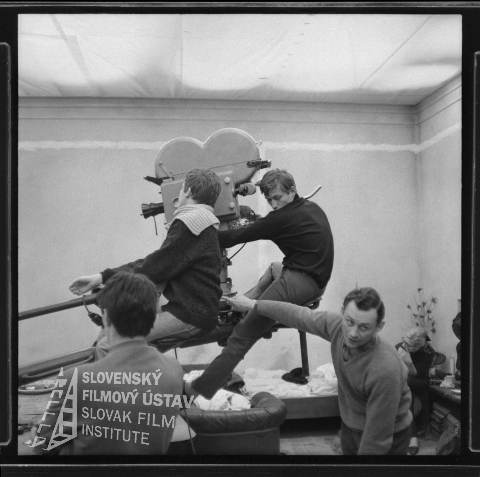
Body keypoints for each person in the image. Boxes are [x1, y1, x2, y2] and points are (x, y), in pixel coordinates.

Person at [185, 169, 334, 400]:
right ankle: (242, 307)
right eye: (269, 199)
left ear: (292, 191)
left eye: (278, 198)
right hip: (314, 279)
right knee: (273, 268)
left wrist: (195, 234)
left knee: (241, 336)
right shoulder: (310, 207)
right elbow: (262, 225)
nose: (274, 204)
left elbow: (234, 237)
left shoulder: (280, 219)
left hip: (301, 282)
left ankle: (198, 389)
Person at [221, 287, 412, 455]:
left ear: (379, 327)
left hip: (388, 436)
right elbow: (298, 315)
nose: (353, 333)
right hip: (351, 428)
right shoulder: (337, 327)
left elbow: (377, 438)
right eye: (350, 322)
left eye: (364, 327)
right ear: (342, 313)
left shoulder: (386, 368)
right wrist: (253, 304)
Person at [69, 168, 223, 358]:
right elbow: (158, 263)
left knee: (107, 345)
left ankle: (106, 377)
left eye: (181, 188)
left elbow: (153, 267)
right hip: (192, 310)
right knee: (106, 334)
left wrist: (105, 278)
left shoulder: (191, 222)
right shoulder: (204, 221)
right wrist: (103, 277)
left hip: (190, 314)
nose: (179, 194)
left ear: (189, 191)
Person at [32, 272, 184, 455]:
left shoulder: (75, 379)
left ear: (105, 316)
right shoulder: (174, 370)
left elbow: (43, 446)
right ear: (153, 317)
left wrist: (37, 432)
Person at [396, 327, 436, 455]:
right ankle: (412, 436)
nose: (403, 344)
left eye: (407, 344)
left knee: (407, 383)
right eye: (404, 340)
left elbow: (415, 373)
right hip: (404, 381)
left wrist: (408, 361)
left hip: (420, 380)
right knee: (405, 390)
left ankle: (412, 437)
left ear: (418, 347)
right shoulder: (400, 346)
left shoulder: (429, 353)